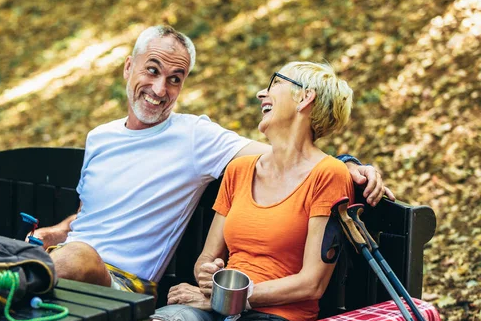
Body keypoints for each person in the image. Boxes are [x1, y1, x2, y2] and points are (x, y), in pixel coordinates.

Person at [34, 25, 393, 295]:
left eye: (175, 79)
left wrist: (345, 163)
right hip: (67, 262)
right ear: (129, 68)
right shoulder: (100, 137)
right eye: (152, 71)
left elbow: (288, 155)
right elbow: (88, 215)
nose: (160, 90)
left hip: (122, 288)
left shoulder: (195, 137)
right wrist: (56, 232)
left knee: (75, 257)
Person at [131, 61, 358, 321]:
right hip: (217, 305)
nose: (261, 94)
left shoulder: (329, 175)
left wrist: (229, 297)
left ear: (305, 97)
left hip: (276, 317)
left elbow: (311, 283)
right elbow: (207, 257)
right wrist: (207, 273)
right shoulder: (240, 170)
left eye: (275, 83)